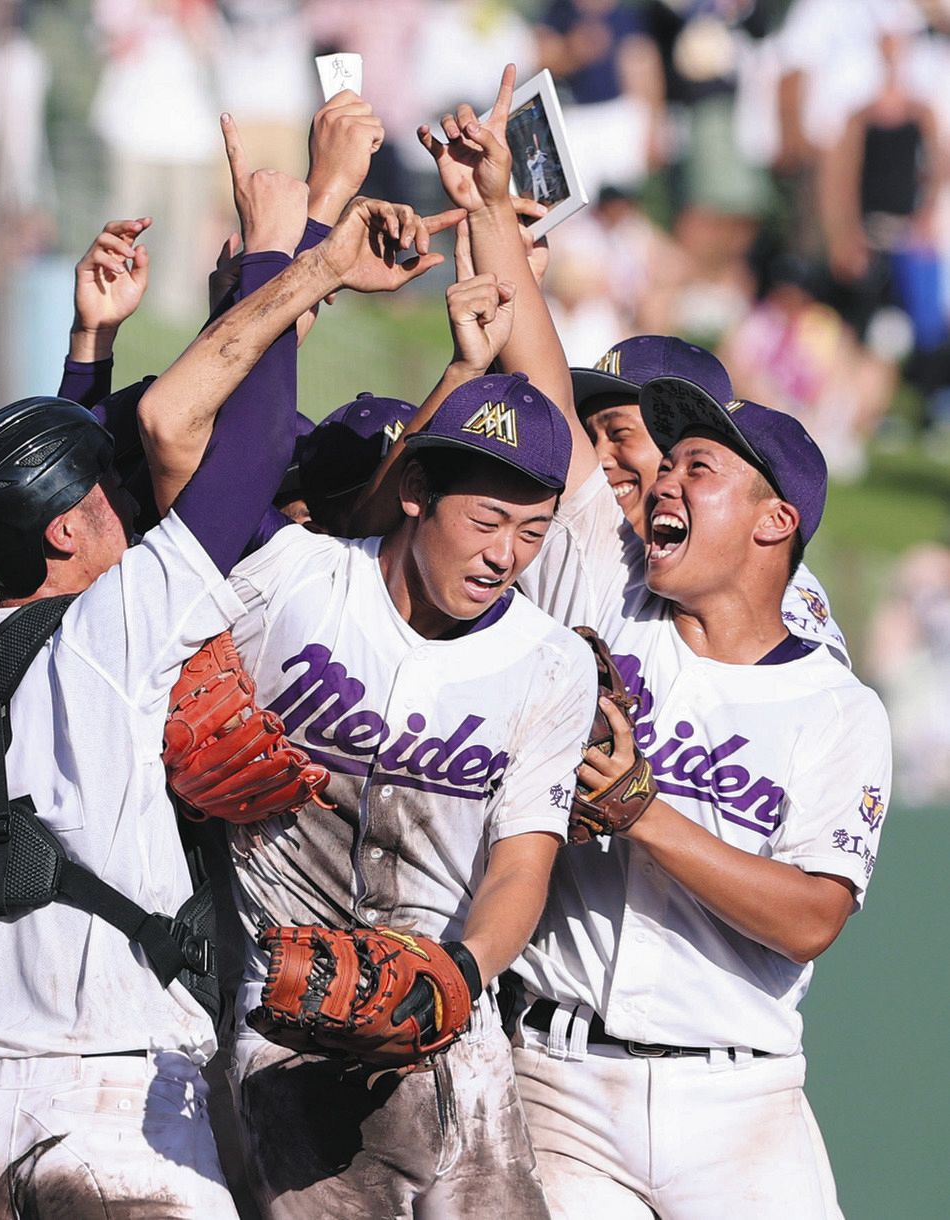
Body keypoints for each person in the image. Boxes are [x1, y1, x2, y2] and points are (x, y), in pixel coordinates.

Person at [0, 108, 450, 1213]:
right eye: (95, 496)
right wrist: (300, 248)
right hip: (123, 1112)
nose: (116, 503)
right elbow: (236, 448)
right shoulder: (118, 629)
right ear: (58, 534)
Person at [414, 63, 892, 1217]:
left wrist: (643, 814)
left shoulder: (831, 696)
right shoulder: (616, 580)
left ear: (774, 520)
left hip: (739, 1098)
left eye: (695, 465)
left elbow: (814, 912)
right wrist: (488, 210)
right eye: (657, 458)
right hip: (561, 1076)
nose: (656, 479)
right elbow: (539, 375)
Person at [220, 267, 598, 1213]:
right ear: (418, 490)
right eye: (488, 519)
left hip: (452, 1030)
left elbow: (523, 862)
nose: (506, 555)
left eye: (534, 530)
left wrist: (459, 974)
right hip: (284, 1021)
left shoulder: (551, 661)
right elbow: (199, 454)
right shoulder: (291, 585)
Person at [568, 333, 851, 663]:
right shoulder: (581, 538)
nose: (597, 456)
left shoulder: (786, 601)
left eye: (620, 434)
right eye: (589, 436)